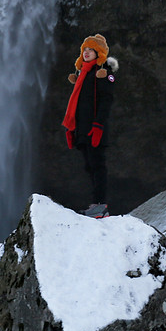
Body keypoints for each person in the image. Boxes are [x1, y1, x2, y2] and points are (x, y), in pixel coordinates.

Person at [61, 33, 118, 217]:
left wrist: (98, 126)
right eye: (84, 49)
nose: (86, 52)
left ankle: (101, 205)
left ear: (98, 53)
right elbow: (78, 107)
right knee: (90, 166)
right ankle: (96, 204)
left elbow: (106, 101)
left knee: (97, 165)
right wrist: (73, 129)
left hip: (95, 130)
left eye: (90, 50)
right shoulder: (82, 75)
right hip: (83, 130)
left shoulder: (103, 74)